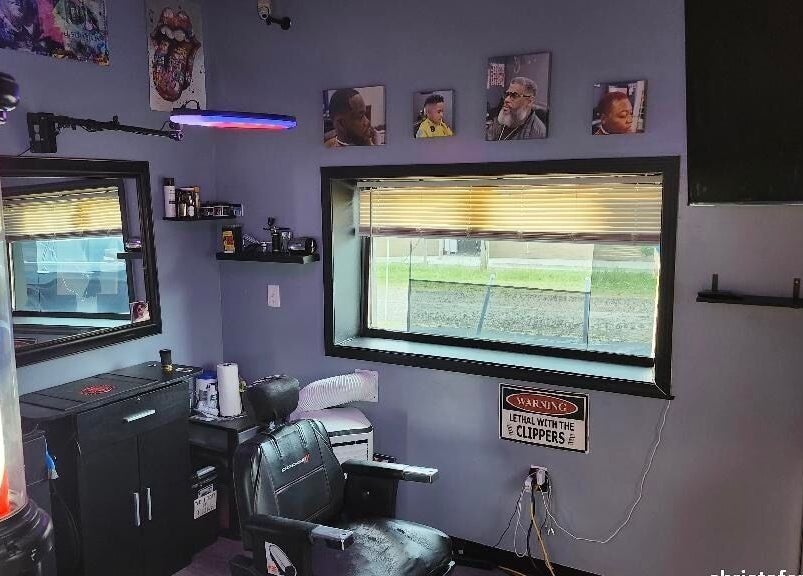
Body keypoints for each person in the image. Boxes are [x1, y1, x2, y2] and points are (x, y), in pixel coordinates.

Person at [486, 76, 547, 141]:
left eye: (514, 95)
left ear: (529, 101)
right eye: (507, 94)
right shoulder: (502, 117)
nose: (506, 100)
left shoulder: (537, 134)